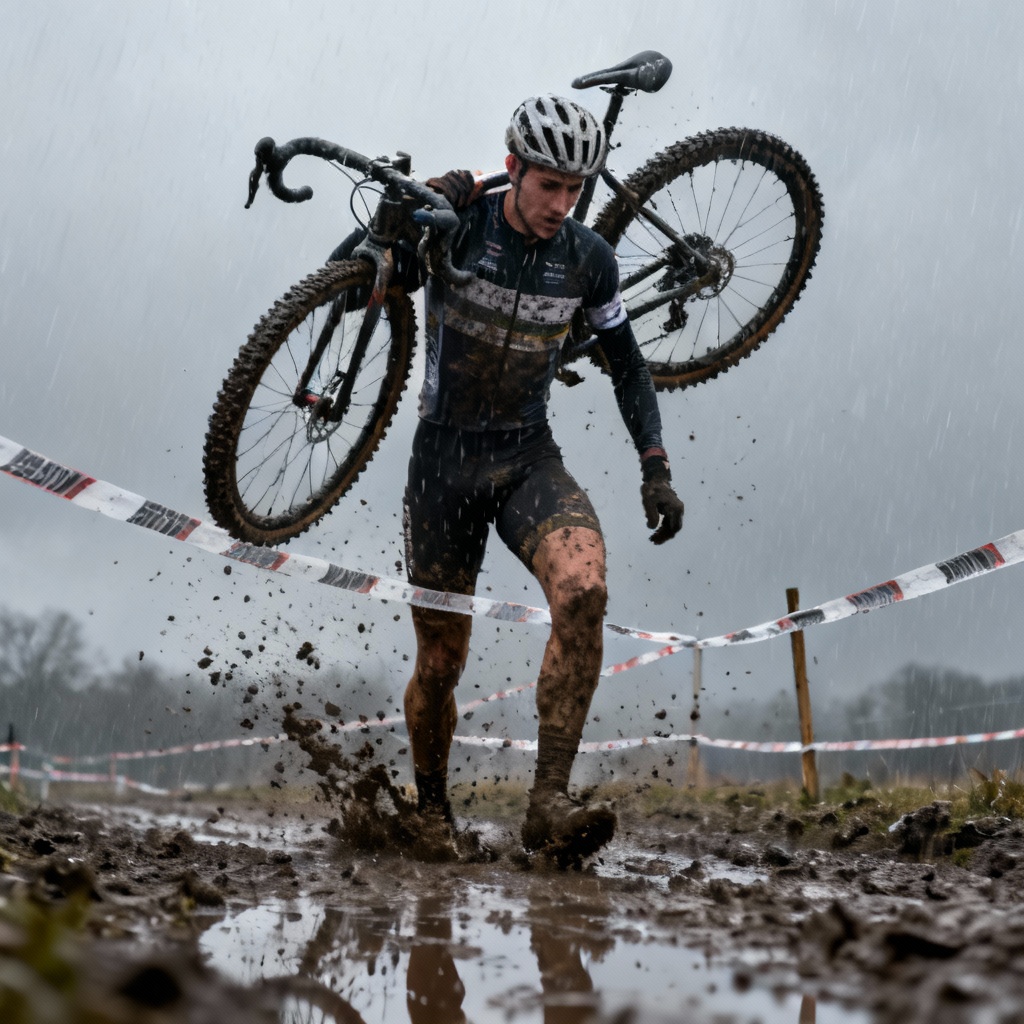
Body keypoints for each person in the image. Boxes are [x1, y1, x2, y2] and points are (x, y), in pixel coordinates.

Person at [342, 95, 684, 863]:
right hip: (443, 463)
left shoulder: (589, 259)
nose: (561, 205)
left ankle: (548, 804)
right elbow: (367, 279)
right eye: (548, 186)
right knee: (441, 662)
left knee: (585, 593)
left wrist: (655, 465)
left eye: (574, 189)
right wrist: (404, 220)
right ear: (512, 169)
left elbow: (629, 366)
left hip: (528, 457)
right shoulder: (461, 222)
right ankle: (433, 813)